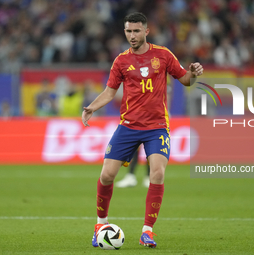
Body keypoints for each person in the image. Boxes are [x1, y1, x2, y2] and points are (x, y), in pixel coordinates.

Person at [82, 12, 203, 249]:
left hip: (157, 127)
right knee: (107, 175)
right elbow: (109, 91)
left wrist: (195, 73)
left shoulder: (163, 55)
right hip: (128, 126)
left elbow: (185, 80)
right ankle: (100, 225)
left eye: (136, 31)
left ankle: (147, 231)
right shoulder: (120, 61)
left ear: (146, 31)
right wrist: (91, 108)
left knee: (157, 173)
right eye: (128, 31)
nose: (132, 35)